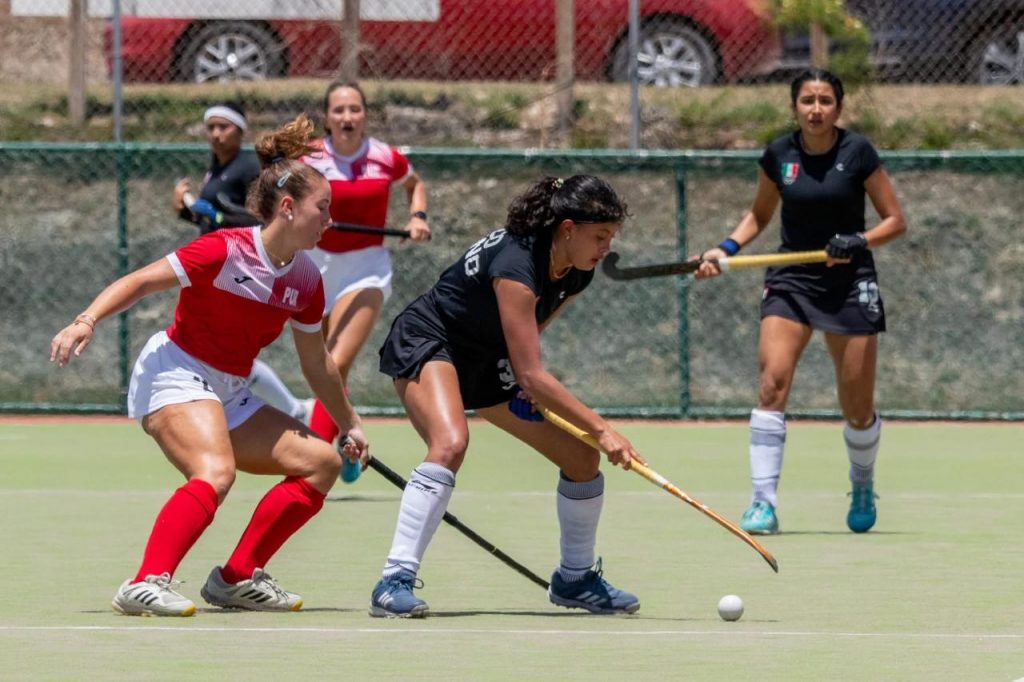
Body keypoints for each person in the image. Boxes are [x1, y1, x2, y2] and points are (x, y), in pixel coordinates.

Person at [51, 114, 370, 617]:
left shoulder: (307, 281)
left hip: (230, 389)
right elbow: (141, 281)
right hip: (175, 371)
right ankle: (144, 582)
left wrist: (349, 424)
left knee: (321, 464)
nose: (330, 219)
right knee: (215, 471)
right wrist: (86, 320)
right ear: (288, 208)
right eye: (322, 208)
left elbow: (317, 363)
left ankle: (236, 578)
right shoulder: (224, 250)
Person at [368, 175, 644, 618]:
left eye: (611, 236)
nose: (606, 247)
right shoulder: (517, 264)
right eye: (600, 236)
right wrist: (602, 429)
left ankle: (575, 579)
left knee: (581, 459)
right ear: (568, 229)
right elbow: (533, 373)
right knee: (450, 443)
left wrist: (523, 384)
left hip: (489, 358)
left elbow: (531, 334)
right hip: (433, 340)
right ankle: (393, 581)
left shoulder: (576, 272)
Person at [694, 69, 906, 535]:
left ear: (838, 108)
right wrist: (723, 250)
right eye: (807, 100)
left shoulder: (858, 152)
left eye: (825, 100)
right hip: (792, 278)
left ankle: (863, 482)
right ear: (795, 107)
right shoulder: (779, 155)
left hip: (849, 281)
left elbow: (895, 221)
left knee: (857, 408)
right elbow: (758, 215)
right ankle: (763, 503)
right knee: (772, 384)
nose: (816, 109)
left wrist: (858, 240)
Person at [301, 82, 431, 484]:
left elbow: (415, 185)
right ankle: (348, 432)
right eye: (339, 110)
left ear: (365, 115)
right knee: (322, 368)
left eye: (354, 109)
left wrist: (418, 217)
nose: (347, 117)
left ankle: (310, 462)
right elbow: (284, 199)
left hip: (366, 269)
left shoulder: (385, 156)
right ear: (326, 118)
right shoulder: (309, 158)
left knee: (336, 361)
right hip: (314, 266)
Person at [172, 101, 312, 424]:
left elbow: (263, 219)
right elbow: (210, 221)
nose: (216, 134)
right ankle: (292, 409)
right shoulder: (217, 167)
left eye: (224, 127)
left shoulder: (248, 167)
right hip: (215, 265)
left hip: (240, 267)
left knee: (228, 352)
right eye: (211, 127)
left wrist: (219, 216)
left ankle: (293, 411)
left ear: (240, 130)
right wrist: (184, 210)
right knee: (220, 350)